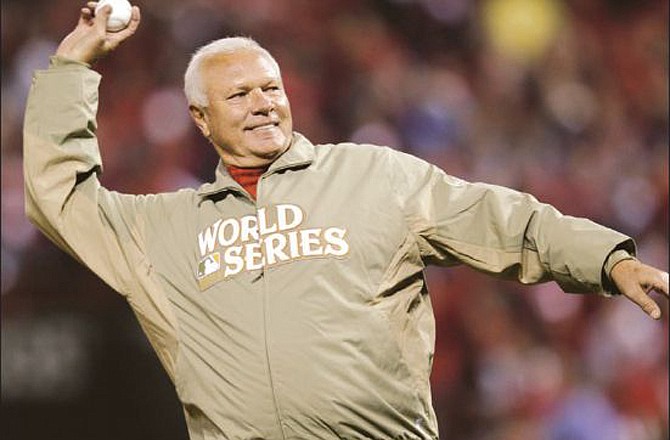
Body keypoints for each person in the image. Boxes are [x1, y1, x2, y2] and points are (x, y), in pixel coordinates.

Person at [23, 3, 668, 440]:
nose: (263, 104)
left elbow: (503, 219)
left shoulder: (372, 176)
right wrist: (75, 64)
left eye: (271, 88)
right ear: (200, 118)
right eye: (239, 95)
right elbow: (61, 197)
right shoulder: (163, 229)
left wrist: (608, 261)